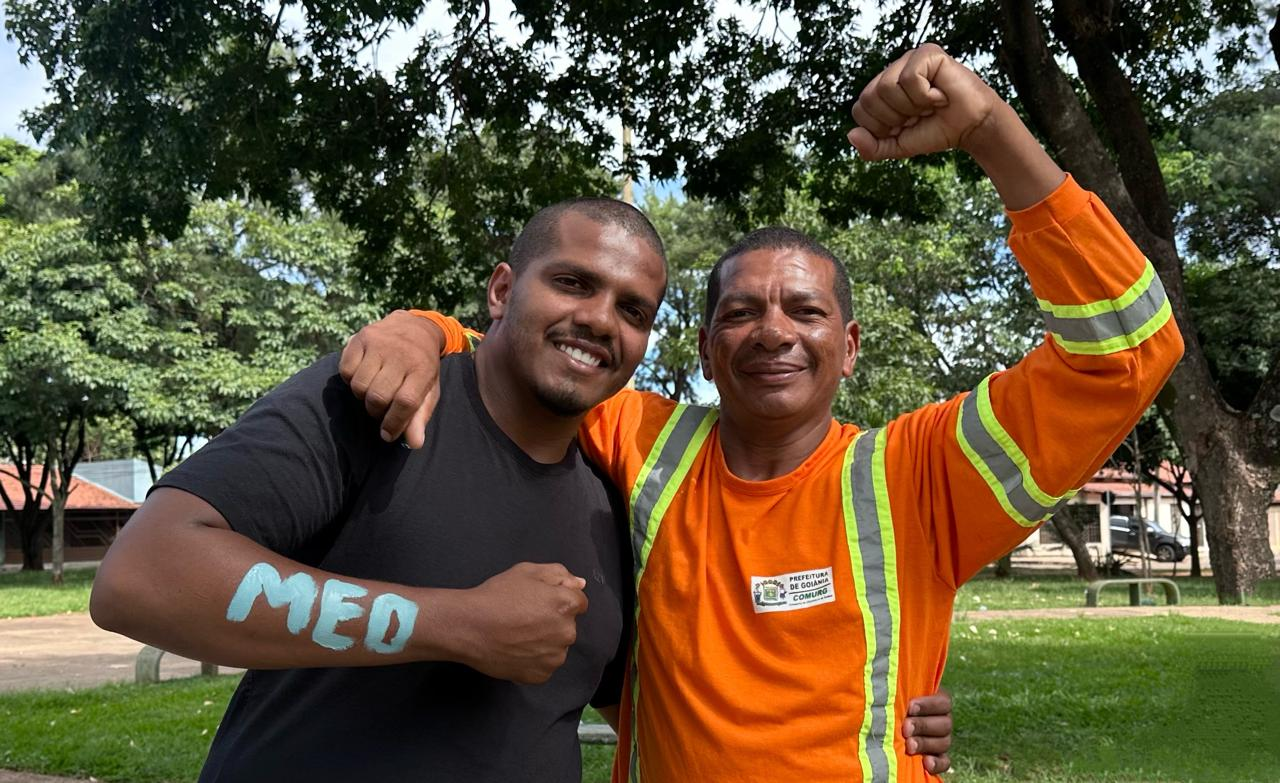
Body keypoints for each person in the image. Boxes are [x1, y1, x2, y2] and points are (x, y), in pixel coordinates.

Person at [339, 45, 1184, 782]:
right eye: (740, 313)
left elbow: (1126, 350)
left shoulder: (918, 475)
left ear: (849, 345)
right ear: (706, 350)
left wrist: (990, 129)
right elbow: (522, 357)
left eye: (805, 311)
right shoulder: (640, 440)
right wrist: (419, 330)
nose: (773, 331)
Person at [90, 196, 953, 779]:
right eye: (573, 283)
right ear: (503, 289)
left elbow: (668, 690)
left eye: (631, 308)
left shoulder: (616, 492)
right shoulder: (386, 398)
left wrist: (881, 711)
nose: (597, 320)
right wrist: (452, 623)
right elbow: (143, 577)